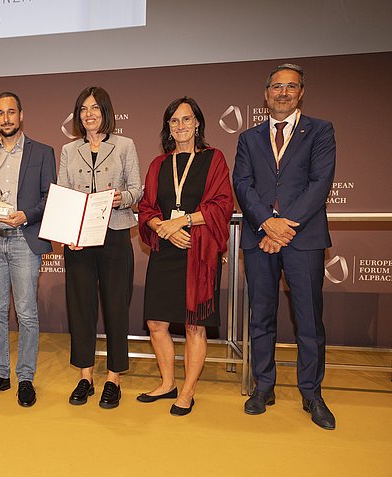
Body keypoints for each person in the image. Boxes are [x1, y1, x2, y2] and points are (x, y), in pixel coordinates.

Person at [233, 63, 337, 429]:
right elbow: (242, 184)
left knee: (308, 319)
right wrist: (267, 223)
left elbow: (320, 183)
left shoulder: (320, 131)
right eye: (277, 86)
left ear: (301, 92)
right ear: (266, 93)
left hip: (303, 238)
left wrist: (284, 227)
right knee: (261, 316)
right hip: (260, 236)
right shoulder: (248, 138)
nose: (283, 92)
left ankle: (312, 393)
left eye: (290, 87)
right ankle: (264, 386)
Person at [137, 97, 234, 416]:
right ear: (168, 127)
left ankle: (188, 391)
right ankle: (167, 384)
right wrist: (161, 227)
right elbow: (147, 207)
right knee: (155, 322)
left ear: (198, 124)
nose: (180, 126)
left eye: (186, 119)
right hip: (166, 249)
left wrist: (183, 221)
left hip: (198, 252)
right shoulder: (158, 164)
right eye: (174, 121)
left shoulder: (214, 158)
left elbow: (222, 205)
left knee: (194, 325)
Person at [58, 86, 142, 409]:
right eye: (83, 109)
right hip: (79, 240)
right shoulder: (68, 150)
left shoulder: (125, 146)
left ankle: (114, 378)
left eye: (94, 108)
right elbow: (64, 195)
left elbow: (137, 190)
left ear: (106, 111)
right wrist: (68, 232)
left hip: (115, 234)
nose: (89, 114)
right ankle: (85, 376)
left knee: (116, 307)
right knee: (80, 307)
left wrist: (124, 197)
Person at [0, 92, 57, 407]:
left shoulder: (43, 152)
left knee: (26, 313)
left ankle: (25, 378)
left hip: (25, 239)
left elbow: (49, 197)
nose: (6, 118)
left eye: (11, 112)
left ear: (21, 115)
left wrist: (27, 214)